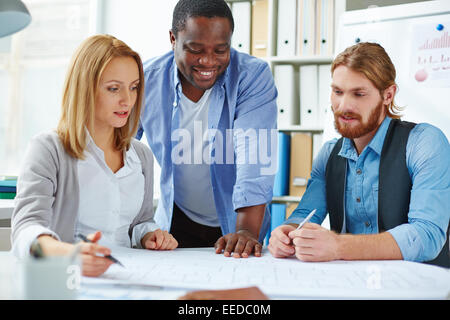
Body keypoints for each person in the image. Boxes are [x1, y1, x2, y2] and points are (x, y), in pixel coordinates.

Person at [268, 42, 450, 267]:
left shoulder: (424, 142)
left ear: (388, 95)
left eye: (359, 94)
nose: (344, 106)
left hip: (416, 287)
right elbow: (305, 214)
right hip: (353, 284)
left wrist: (338, 246)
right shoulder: (328, 154)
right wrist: (287, 233)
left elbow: (427, 235)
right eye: (338, 92)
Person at [11, 34, 178, 277]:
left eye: (133, 87)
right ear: (84, 87)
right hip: (69, 279)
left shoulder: (140, 156)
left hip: (127, 275)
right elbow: (25, 230)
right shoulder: (48, 149)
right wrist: (69, 255)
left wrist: (151, 235)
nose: (127, 100)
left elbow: (140, 222)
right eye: (113, 88)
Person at [137, 0, 277, 258]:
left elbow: (254, 155)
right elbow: (119, 150)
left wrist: (246, 232)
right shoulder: (147, 79)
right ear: (173, 38)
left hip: (238, 222)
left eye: (220, 50)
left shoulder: (252, 76)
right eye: (195, 49)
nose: (208, 61)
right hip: (174, 222)